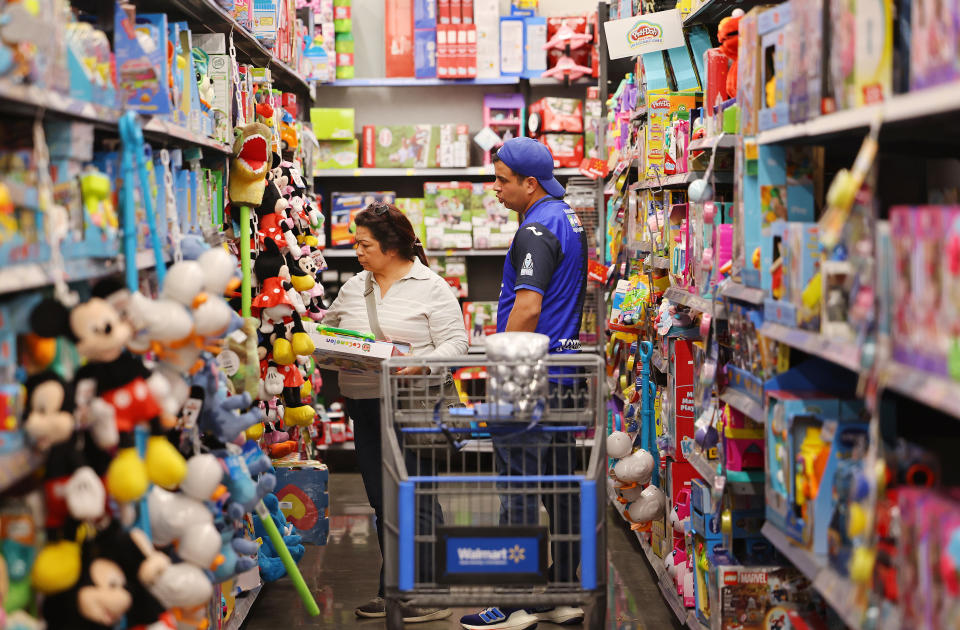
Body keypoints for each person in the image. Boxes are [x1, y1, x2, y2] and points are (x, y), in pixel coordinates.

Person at [459, 137, 588, 630]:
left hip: (530, 374)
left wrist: (502, 364)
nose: (495, 189)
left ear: (529, 184)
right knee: (557, 486)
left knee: (515, 489)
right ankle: (561, 593)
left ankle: (511, 604)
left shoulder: (536, 228)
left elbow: (529, 306)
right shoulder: (567, 216)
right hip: (563, 372)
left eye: (501, 180)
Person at [321, 202, 469, 623]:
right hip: (366, 407)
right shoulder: (354, 287)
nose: (356, 250)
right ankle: (396, 588)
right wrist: (334, 350)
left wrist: (422, 362)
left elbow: (457, 344)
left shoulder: (431, 286)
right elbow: (330, 333)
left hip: (416, 406)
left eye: (364, 243)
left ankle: (430, 590)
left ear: (391, 247)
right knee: (383, 501)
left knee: (417, 497)